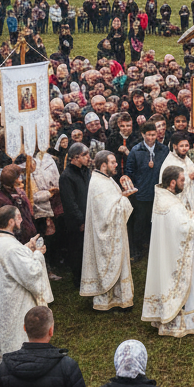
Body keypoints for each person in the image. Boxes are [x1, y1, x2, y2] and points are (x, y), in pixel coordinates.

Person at [142, 165, 194, 338]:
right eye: (182, 180)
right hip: (173, 254)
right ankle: (177, 322)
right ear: (172, 183)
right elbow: (184, 230)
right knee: (174, 285)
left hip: (167, 251)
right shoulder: (169, 203)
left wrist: (190, 214)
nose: (184, 183)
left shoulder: (163, 197)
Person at [0, 204, 53, 371]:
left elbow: (13, 259)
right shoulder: (11, 247)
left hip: (5, 297)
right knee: (17, 337)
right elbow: (31, 273)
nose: (21, 220)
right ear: (11, 221)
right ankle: (22, 369)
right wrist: (38, 253)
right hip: (16, 300)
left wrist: (28, 248)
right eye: (18, 217)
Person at [81, 149, 135, 310]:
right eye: (113, 162)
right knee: (108, 264)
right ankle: (107, 300)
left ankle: (119, 298)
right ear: (103, 165)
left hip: (116, 232)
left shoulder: (106, 179)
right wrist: (125, 199)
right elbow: (107, 213)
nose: (116, 164)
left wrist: (123, 196)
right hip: (106, 233)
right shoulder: (99, 183)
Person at [159, 133, 194, 266]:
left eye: (186, 145)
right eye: (181, 146)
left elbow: (193, 177)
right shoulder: (169, 163)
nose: (185, 148)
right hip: (178, 202)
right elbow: (169, 184)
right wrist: (190, 177)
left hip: (191, 200)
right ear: (174, 146)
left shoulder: (187, 159)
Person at [124, 122, 169, 260]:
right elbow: (129, 171)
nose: (151, 137)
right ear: (143, 134)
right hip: (141, 194)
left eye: (154, 134)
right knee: (140, 223)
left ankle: (155, 249)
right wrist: (135, 188)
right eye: (148, 135)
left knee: (156, 222)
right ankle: (137, 250)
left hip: (158, 192)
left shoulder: (163, 150)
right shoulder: (136, 151)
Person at [59, 142, 91, 287]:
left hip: (88, 216)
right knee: (77, 250)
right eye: (85, 155)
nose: (88, 158)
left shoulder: (86, 171)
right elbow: (70, 203)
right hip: (76, 222)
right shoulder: (66, 176)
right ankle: (78, 280)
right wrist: (81, 221)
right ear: (75, 157)